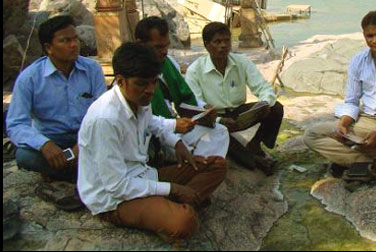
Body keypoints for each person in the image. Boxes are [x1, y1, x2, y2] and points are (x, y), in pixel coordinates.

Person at [78, 42, 227, 240]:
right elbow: (116, 186)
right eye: (142, 83)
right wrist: (172, 188)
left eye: (153, 82)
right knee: (185, 222)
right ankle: (173, 206)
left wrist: (177, 143)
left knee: (217, 165)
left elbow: (154, 123)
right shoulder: (106, 119)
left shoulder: (139, 100)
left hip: (145, 175)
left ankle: (168, 206)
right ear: (121, 81)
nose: (150, 90)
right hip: (114, 199)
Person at [303, 10, 376, 180]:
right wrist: (344, 124)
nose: (375, 40)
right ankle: (368, 162)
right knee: (311, 135)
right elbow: (351, 101)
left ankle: (349, 158)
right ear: (364, 36)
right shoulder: (358, 61)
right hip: (365, 119)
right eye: (370, 36)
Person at [6, 15, 106, 208]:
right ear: (48, 48)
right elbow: (16, 124)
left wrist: (83, 143)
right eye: (65, 40)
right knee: (25, 156)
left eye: (75, 39)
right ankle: (82, 171)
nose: (74, 45)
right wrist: (44, 144)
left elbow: (103, 113)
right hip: (54, 142)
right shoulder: (30, 78)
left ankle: (67, 171)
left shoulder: (92, 69)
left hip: (87, 137)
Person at [185, 22, 283, 175]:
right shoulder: (195, 71)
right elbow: (197, 106)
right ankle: (253, 160)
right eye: (217, 42)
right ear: (207, 45)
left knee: (276, 108)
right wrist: (218, 120)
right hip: (213, 118)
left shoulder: (241, 62)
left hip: (239, 113)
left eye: (226, 41)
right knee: (222, 134)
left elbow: (263, 87)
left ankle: (255, 144)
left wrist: (265, 103)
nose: (223, 46)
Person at [135, 16, 229, 163]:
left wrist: (203, 110)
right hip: (153, 134)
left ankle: (201, 166)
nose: (164, 51)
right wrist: (173, 129)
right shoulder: (134, 74)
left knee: (220, 131)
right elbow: (146, 121)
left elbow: (185, 96)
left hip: (174, 124)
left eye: (166, 46)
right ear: (140, 44)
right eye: (158, 47)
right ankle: (195, 166)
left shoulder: (168, 63)